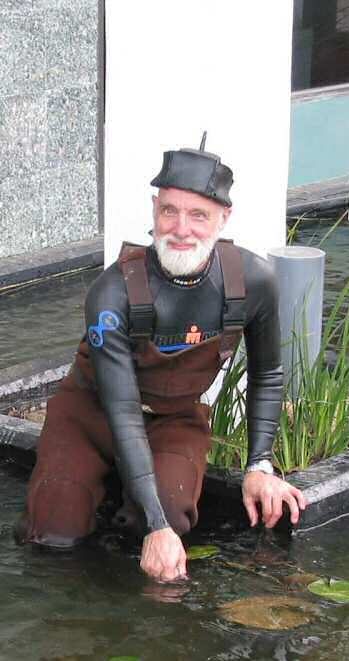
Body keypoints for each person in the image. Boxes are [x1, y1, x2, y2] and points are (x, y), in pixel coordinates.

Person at [15, 136, 306, 581]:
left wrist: (259, 465)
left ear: (224, 218)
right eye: (169, 211)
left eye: (198, 215)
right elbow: (122, 409)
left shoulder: (252, 281)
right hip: (90, 414)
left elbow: (268, 372)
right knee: (55, 530)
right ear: (155, 209)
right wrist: (155, 527)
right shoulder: (111, 293)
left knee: (172, 514)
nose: (181, 228)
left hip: (173, 419)